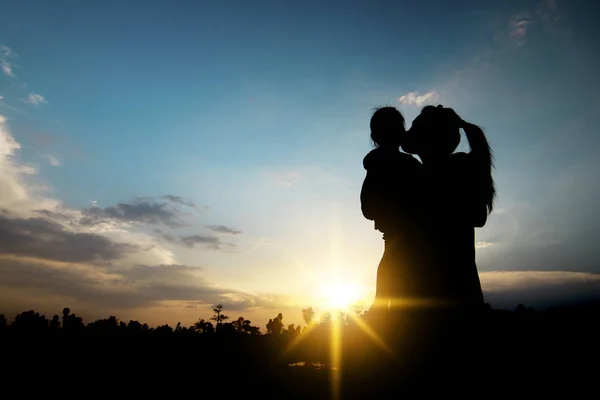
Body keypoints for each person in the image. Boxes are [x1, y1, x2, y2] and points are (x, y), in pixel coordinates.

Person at [359, 106, 424, 321]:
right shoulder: (407, 165)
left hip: (399, 235)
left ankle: (383, 312)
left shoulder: (379, 163)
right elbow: (367, 207)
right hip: (406, 236)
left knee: (392, 268)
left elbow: (367, 207)